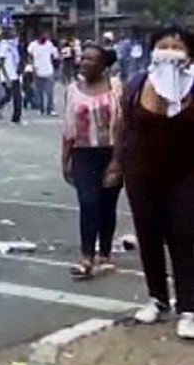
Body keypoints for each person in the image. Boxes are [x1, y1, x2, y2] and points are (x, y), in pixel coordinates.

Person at [118, 26, 194, 339]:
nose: (169, 51)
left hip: (185, 174)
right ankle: (157, 298)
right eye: (163, 45)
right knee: (148, 234)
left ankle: (189, 308)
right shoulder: (137, 84)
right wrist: (116, 163)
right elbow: (123, 126)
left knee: (183, 235)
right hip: (141, 174)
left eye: (177, 46)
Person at [61, 44, 123, 281]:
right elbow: (68, 127)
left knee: (108, 205)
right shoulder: (73, 90)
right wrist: (65, 159)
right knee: (88, 203)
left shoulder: (116, 88)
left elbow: (123, 126)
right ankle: (86, 255)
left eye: (91, 60)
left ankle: (105, 254)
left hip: (111, 152)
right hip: (83, 153)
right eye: (83, 58)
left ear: (103, 65)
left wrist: (117, 161)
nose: (84, 63)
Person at [0, 28, 23, 124]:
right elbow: (1, 62)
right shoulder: (4, 45)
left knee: (8, 97)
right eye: (13, 32)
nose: (15, 34)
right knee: (15, 97)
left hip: (14, 75)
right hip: (8, 76)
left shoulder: (12, 45)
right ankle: (16, 117)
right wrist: (6, 78)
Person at [28, 31, 59, 116]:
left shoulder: (49, 44)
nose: (44, 37)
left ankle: (50, 109)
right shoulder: (33, 45)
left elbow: (55, 56)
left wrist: (54, 67)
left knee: (50, 92)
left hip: (49, 71)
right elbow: (30, 56)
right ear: (38, 37)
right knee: (39, 92)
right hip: (37, 71)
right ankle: (41, 109)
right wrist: (32, 66)